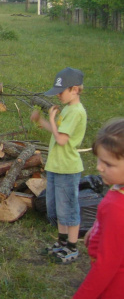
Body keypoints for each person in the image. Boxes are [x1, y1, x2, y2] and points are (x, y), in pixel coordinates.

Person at [31, 67, 87, 264]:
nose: (58, 96)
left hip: (67, 168)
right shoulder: (68, 109)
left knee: (68, 208)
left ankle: (72, 247)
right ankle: (62, 243)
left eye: (61, 92)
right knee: (57, 208)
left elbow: (62, 139)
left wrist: (52, 119)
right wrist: (43, 122)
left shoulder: (77, 112)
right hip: (56, 167)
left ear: (74, 90)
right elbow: (58, 132)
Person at [73, 118, 124, 299]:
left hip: (113, 287)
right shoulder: (119, 187)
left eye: (108, 164)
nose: (99, 167)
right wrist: (95, 229)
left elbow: (107, 266)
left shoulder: (117, 208)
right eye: (99, 160)